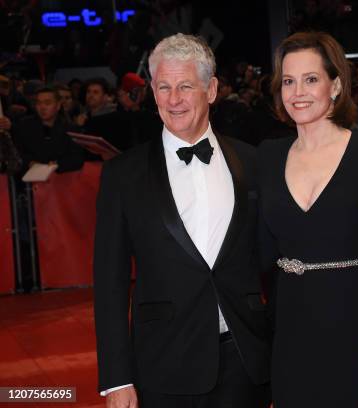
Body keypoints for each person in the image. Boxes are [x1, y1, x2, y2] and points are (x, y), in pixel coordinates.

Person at [94, 33, 271, 408]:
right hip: (163, 365)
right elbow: (108, 282)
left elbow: (272, 260)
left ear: (211, 90)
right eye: (163, 87)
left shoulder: (253, 163)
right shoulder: (122, 175)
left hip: (246, 362)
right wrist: (116, 379)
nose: (173, 100)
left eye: (185, 86)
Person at [257, 31, 358, 408]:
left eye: (311, 79)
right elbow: (258, 250)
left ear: (336, 85)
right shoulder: (267, 156)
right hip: (290, 326)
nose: (297, 91)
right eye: (288, 81)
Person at [12, 86, 84, 173]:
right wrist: (29, 162)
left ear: (58, 106)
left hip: (61, 178)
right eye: (38, 103)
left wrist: (58, 164)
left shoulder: (71, 129)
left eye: (47, 103)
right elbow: (16, 153)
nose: (42, 107)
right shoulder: (24, 125)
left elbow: (77, 158)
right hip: (30, 177)